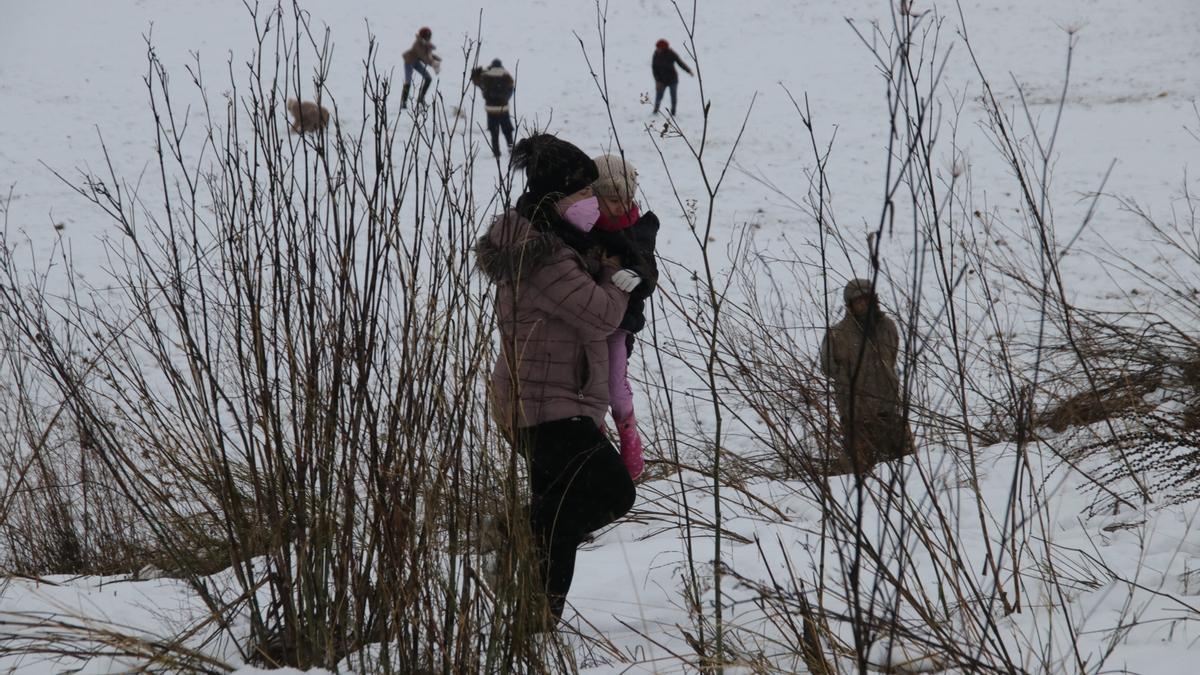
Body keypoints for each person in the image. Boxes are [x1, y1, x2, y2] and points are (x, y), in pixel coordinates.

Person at [475, 133, 640, 623]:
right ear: (554, 199)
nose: (593, 204)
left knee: (560, 512)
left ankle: (537, 617)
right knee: (611, 493)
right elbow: (601, 316)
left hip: (551, 402)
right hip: (545, 407)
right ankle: (513, 533)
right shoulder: (541, 256)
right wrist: (616, 278)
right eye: (583, 194)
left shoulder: (555, 245)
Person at [589, 154, 659, 480]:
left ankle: (631, 448)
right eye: (613, 198)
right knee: (590, 389)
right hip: (586, 324)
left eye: (626, 197)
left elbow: (648, 269)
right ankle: (600, 451)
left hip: (619, 326)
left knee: (616, 387)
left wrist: (638, 276)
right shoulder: (582, 229)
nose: (621, 205)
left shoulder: (638, 230)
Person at [818, 279, 915, 475]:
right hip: (856, 414)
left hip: (888, 408)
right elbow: (827, 367)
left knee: (907, 464)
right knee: (861, 472)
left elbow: (892, 356)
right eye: (857, 301)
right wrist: (848, 380)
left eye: (866, 299)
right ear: (850, 304)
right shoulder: (837, 334)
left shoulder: (888, 326)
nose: (863, 304)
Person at [470, 59, 516, 157]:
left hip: (491, 110)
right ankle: (511, 150)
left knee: (494, 132)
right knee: (507, 131)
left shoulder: (485, 76)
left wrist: (475, 74)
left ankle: (496, 152)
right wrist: (505, 99)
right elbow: (511, 88)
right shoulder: (506, 75)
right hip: (503, 109)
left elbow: (477, 83)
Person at [402, 27, 441, 109]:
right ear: (424, 36)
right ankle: (404, 102)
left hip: (416, 61)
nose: (430, 38)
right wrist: (432, 63)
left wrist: (434, 57)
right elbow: (423, 56)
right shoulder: (417, 43)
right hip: (409, 61)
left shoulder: (425, 44)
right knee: (408, 81)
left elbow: (427, 55)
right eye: (428, 36)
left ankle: (421, 98)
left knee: (428, 78)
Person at [651, 39, 692, 116]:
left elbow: (680, 63)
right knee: (658, 96)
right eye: (657, 48)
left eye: (659, 48)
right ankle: (655, 111)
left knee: (673, 97)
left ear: (664, 48)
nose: (657, 49)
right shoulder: (656, 54)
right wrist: (657, 81)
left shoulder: (671, 53)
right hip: (661, 81)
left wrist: (688, 70)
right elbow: (654, 68)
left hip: (673, 80)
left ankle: (673, 112)